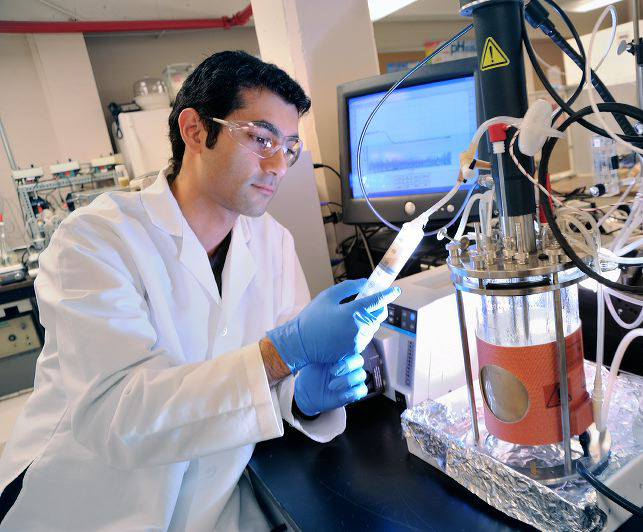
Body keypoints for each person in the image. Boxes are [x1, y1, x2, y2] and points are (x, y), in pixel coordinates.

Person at [0, 50, 398, 530]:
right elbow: (119, 415)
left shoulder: (273, 242)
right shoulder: (95, 240)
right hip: (90, 500)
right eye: (259, 138)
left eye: (289, 147)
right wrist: (281, 352)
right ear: (194, 131)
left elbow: (279, 377)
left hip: (215, 493)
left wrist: (304, 397)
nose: (278, 164)